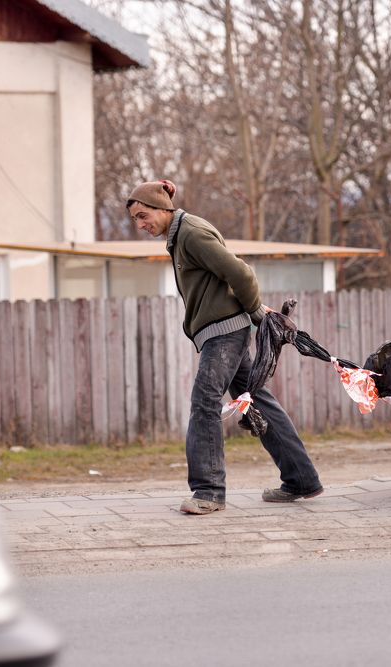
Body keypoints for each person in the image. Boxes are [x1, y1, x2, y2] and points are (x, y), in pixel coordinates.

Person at [126, 179, 323, 514]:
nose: (141, 224)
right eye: (136, 220)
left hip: (225, 332)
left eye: (144, 216)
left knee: (205, 401)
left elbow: (241, 274)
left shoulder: (190, 232)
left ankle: (208, 491)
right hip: (221, 331)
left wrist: (257, 312)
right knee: (255, 400)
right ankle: (301, 479)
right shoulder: (179, 236)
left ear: (162, 208)